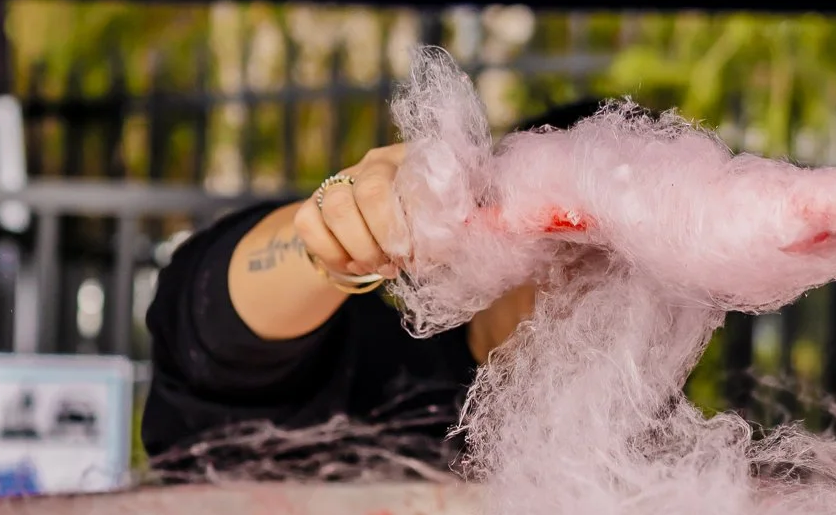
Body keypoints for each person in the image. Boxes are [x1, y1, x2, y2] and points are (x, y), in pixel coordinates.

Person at [142, 99, 596, 462]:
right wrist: (334, 238)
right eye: (579, 252)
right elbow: (209, 327)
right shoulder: (372, 346)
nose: (594, 292)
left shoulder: (649, 441)